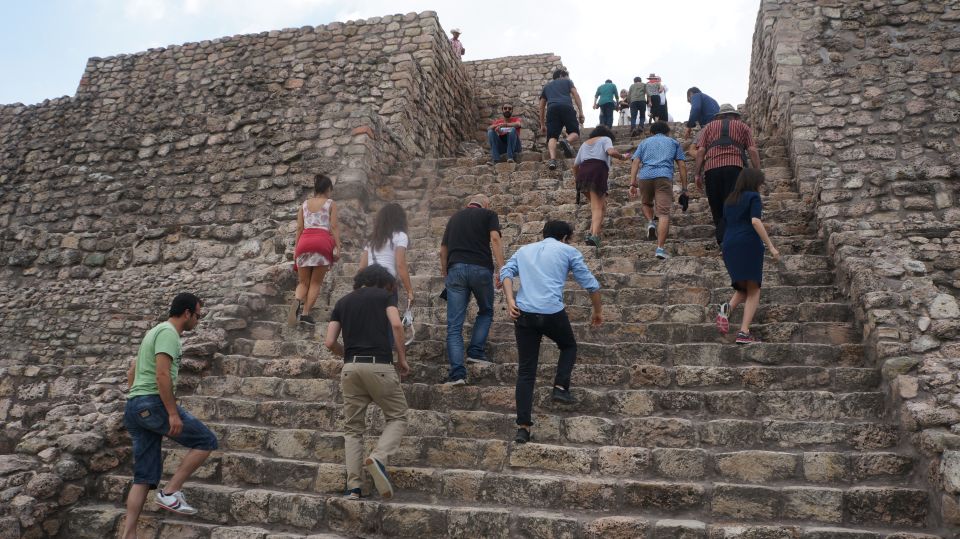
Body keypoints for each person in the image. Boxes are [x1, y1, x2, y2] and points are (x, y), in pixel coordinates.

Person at [121, 293, 218, 538]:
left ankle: (127, 535)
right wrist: (172, 414)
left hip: (135, 405)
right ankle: (170, 492)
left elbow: (133, 371)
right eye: (198, 315)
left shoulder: (153, 332)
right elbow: (162, 375)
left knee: (143, 476)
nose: (198, 320)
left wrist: (136, 397)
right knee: (206, 441)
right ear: (187, 313)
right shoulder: (169, 334)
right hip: (153, 403)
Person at [500, 220, 603, 444]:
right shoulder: (568, 251)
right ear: (565, 237)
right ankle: (559, 386)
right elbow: (592, 285)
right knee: (568, 346)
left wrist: (510, 300)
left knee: (526, 371)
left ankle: (523, 428)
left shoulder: (524, 249)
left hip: (524, 312)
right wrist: (597, 312)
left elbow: (505, 272)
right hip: (552, 312)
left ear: (544, 233)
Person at [325, 265, 410, 500]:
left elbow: (329, 341)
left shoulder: (342, 302)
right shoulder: (385, 296)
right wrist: (401, 357)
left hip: (350, 369)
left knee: (353, 429)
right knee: (398, 416)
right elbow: (396, 324)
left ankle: (354, 487)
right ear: (384, 282)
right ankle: (379, 458)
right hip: (380, 366)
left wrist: (348, 356)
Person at [440, 194, 505, 384]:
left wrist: (446, 273)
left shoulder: (454, 218)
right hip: (481, 269)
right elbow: (494, 238)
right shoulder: (489, 214)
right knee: (485, 310)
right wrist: (502, 269)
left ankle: (458, 374)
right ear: (485, 204)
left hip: (456, 270)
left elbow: (443, 249)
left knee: (454, 326)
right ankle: (476, 351)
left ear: (468, 203)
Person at [715, 169, 780, 344]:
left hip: (729, 244)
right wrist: (771, 246)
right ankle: (744, 332)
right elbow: (755, 221)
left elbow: (725, 224)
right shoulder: (753, 197)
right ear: (754, 182)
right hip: (748, 243)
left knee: (743, 288)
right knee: (754, 289)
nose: (761, 186)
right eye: (760, 183)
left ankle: (726, 309)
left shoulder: (729, 200)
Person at [694, 103, 761, 246]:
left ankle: (722, 240)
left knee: (716, 204)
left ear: (719, 116)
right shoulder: (742, 126)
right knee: (732, 202)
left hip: (711, 169)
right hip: (735, 167)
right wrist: (757, 171)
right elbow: (752, 150)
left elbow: (700, 151)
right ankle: (733, 236)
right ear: (734, 116)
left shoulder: (708, 127)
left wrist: (697, 174)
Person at [629, 121, 689, 259]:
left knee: (646, 203)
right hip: (663, 176)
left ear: (651, 132)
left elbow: (636, 161)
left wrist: (632, 183)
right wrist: (685, 188)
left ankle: (650, 222)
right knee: (663, 214)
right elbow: (682, 165)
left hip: (645, 176)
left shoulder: (644, 143)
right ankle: (660, 249)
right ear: (668, 132)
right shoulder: (673, 142)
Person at [290, 174, 341, 326]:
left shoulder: (304, 205)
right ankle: (305, 314)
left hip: (304, 242)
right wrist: (338, 246)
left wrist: (295, 249)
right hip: (322, 242)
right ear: (327, 189)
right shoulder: (330, 203)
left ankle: (297, 301)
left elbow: (299, 227)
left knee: (303, 282)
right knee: (315, 283)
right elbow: (334, 226)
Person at [572, 125, 630, 248]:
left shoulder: (584, 144)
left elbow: (575, 165)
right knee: (598, 207)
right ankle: (594, 236)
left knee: (600, 206)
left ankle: (591, 233)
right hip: (597, 171)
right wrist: (622, 157)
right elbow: (611, 152)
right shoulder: (605, 139)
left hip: (583, 173)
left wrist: (577, 180)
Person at [359, 203, 414, 309]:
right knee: (388, 318)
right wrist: (409, 291)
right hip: (387, 283)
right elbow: (400, 264)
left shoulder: (372, 239)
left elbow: (362, 267)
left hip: (370, 284)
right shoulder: (401, 236)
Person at [539, 68, 586, 170]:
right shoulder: (568, 82)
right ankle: (566, 141)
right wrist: (581, 112)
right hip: (566, 107)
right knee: (574, 132)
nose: (566, 77)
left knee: (552, 136)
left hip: (552, 110)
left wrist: (542, 124)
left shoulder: (546, 87)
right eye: (565, 75)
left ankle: (552, 160)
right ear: (560, 75)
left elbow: (541, 106)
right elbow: (576, 95)